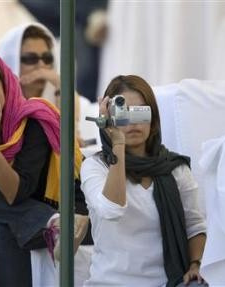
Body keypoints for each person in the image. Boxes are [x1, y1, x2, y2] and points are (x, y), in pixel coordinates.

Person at [0, 47, 89, 286]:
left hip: (59, 205)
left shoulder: (33, 120)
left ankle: (56, 222)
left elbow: (15, 193)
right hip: (37, 220)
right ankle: (52, 223)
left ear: (5, 82)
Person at [80, 75, 207, 286]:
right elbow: (112, 210)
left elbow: (195, 226)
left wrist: (195, 265)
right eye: (123, 112)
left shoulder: (174, 168)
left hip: (168, 282)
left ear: (153, 119)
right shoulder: (95, 166)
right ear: (109, 118)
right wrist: (117, 144)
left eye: (140, 111)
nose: (132, 122)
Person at [0, 22, 89, 146]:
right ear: (10, 62)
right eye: (31, 59)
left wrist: (60, 84)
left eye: (47, 58)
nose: (42, 65)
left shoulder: (63, 94)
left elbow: (71, 143)